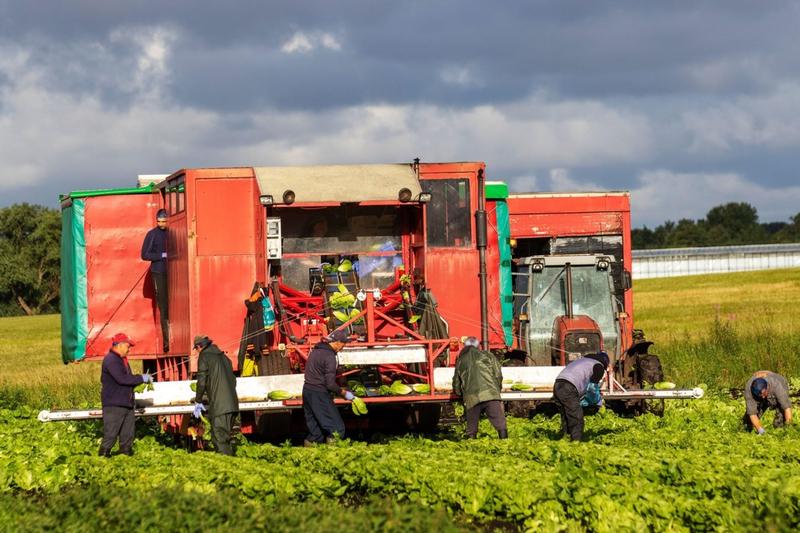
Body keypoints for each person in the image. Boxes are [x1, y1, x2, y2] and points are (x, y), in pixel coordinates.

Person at [99, 333, 152, 457]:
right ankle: (103, 456)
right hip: (114, 404)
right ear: (120, 345)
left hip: (126, 403)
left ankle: (125, 454)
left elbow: (127, 379)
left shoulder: (122, 360)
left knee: (127, 435)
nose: (129, 349)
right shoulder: (111, 360)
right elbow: (122, 379)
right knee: (111, 434)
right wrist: (141, 378)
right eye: (128, 346)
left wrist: (137, 380)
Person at [302, 329, 355, 446]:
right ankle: (333, 457)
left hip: (307, 391)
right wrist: (344, 393)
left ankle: (308, 458)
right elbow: (330, 384)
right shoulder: (329, 356)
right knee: (337, 429)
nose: (343, 347)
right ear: (338, 342)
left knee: (315, 433)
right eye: (344, 344)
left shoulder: (315, 351)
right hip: (319, 393)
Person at [452, 336, 507, 439]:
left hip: (471, 397)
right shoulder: (488, 355)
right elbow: (498, 374)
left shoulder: (461, 360)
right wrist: (497, 389)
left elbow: (456, 381)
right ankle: (504, 442)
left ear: (465, 347)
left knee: (471, 426)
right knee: (500, 422)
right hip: (490, 394)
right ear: (478, 346)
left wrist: (459, 393)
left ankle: (472, 445)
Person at [192, 335, 239, 455]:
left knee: (219, 439)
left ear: (199, 346)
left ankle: (228, 468)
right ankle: (231, 463)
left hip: (220, 406)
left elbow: (201, 381)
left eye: (196, 349)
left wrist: (198, 400)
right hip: (233, 405)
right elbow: (233, 381)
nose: (197, 352)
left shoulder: (204, 356)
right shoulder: (224, 357)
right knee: (225, 438)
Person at [553, 352, 610, 441]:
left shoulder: (582, 361)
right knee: (576, 417)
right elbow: (592, 389)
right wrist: (597, 402)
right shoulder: (598, 366)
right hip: (569, 386)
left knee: (566, 416)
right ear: (605, 363)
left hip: (557, 385)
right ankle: (576, 443)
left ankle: (565, 439)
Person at [141, 208, 170, 352]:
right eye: (159, 221)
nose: (161, 224)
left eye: (164, 221)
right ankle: (167, 341)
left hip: (173, 272)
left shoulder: (173, 233)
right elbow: (144, 254)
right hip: (159, 272)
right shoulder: (152, 234)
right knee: (163, 306)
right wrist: (161, 255)